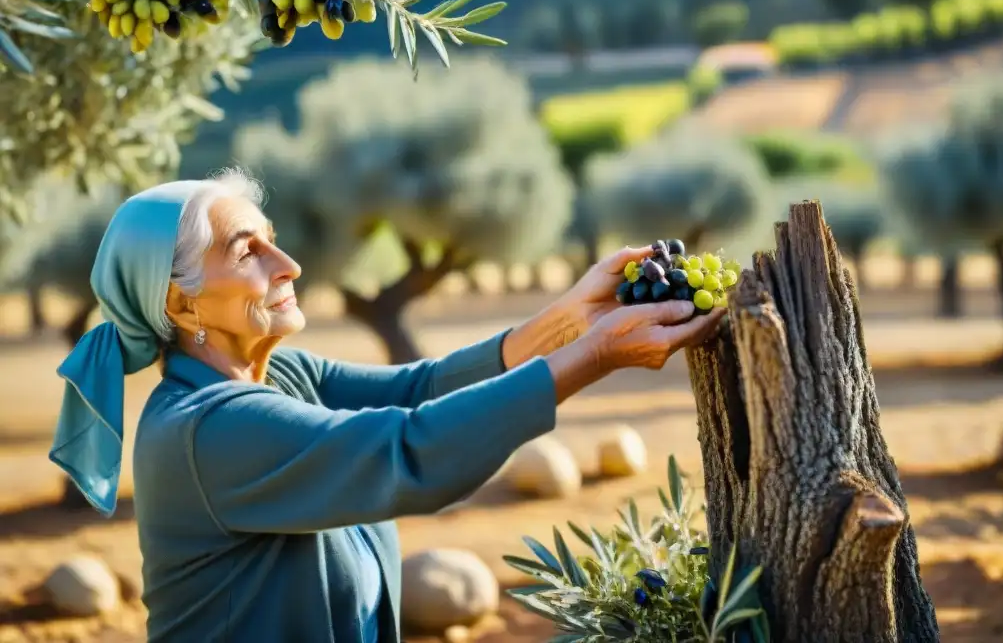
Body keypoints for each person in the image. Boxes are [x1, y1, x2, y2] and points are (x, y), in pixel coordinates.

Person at [49, 168, 725, 643]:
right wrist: (595, 356)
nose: (288, 264)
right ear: (181, 304)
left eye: (273, 238)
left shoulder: (281, 375)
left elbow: (418, 392)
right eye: (247, 251)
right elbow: (410, 449)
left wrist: (571, 320)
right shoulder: (204, 430)